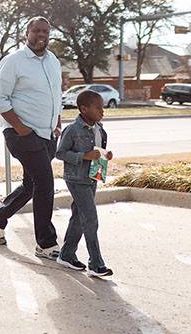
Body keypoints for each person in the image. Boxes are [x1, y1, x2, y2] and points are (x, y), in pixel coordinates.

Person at [0, 16, 64, 260]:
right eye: (37, 30)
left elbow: (55, 94)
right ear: (27, 33)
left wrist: (57, 123)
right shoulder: (14, 61)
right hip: (23, 135)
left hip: (48, 134)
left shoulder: (53, 61)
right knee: (46, 184)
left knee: (32, 184)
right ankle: (45, 243)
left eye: (45, 31)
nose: (41, 35)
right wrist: (19, 127)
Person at [56, 90, 114, 278]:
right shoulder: (72, 130)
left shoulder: (100, 129)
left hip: (92, 177)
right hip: (76, 178)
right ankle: (96, 264)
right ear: (84, 109)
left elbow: (98, 151)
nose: (102, 111)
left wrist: (106, 155)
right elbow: (60, 153)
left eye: (102, 107)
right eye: (98, 108)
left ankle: (66, 254)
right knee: (90, 218)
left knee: (79, 217)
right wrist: (84, 156)